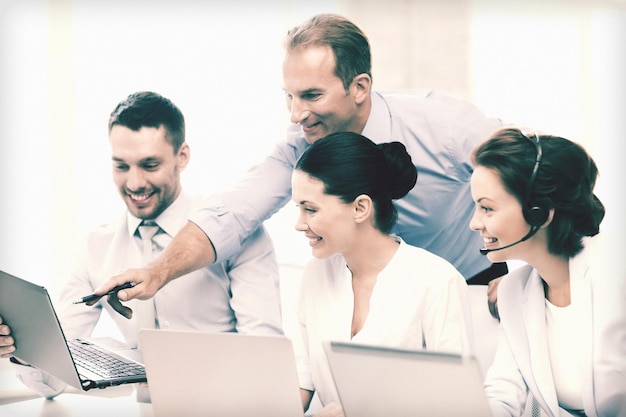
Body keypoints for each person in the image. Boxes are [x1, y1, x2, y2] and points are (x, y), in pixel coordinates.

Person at [95, 12, 507, 320]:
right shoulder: (300, 144)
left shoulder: (445, 127)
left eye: (311, 95)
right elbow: (234, 213)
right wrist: (158, 272)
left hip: (474, 289)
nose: (296, 114)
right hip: (370, 302)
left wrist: (526, 277)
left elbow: (539, 174)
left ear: (359, 87)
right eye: (289, 97)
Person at [0, 91, 283, 398]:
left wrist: (183, 377)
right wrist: (25, 350)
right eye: (121, 166)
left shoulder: (233, 230)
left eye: (149, 165)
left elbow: (264, 357)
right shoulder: (94, 246)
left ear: (182, 156)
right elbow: (53, 380)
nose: (134, 183)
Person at [292, 132, 473, 416]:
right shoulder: (315, 275)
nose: (299, 224)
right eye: (298, 208)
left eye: (310, 209)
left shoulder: (436, 281)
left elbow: (458, 405)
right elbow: (301, 379)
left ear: (360, 207)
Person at [469, 127, 626, 417]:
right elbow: (504, 389)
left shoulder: (615, 266)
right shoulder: (514, 290)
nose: (474, 224)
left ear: (540, 212)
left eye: (487, 209)